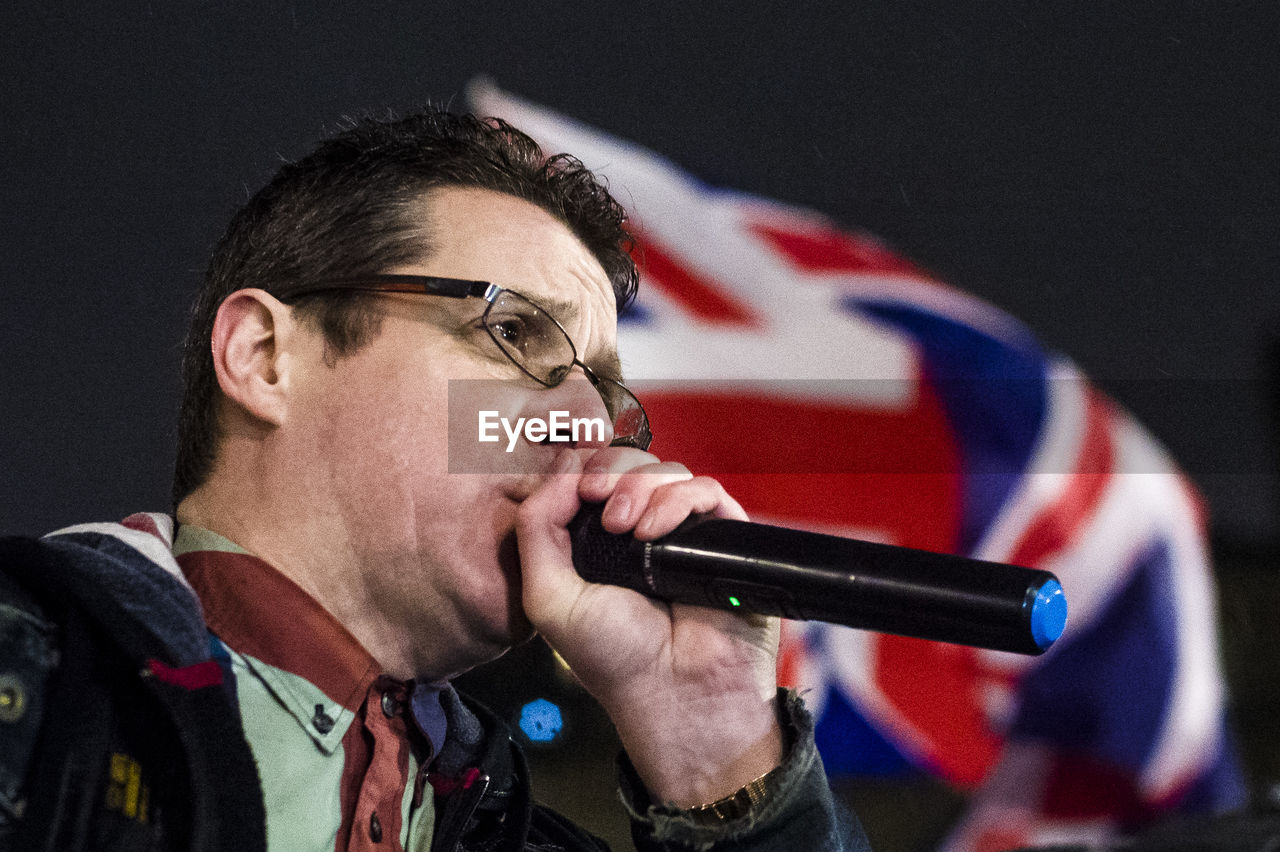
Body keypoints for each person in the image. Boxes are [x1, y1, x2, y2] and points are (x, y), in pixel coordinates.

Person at [0, 108, 869, 850]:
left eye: (606, 389)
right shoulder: (33, 692)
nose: (591, 425)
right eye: (516, 333)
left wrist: (715, 751)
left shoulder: (511, 825)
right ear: (266, 357)